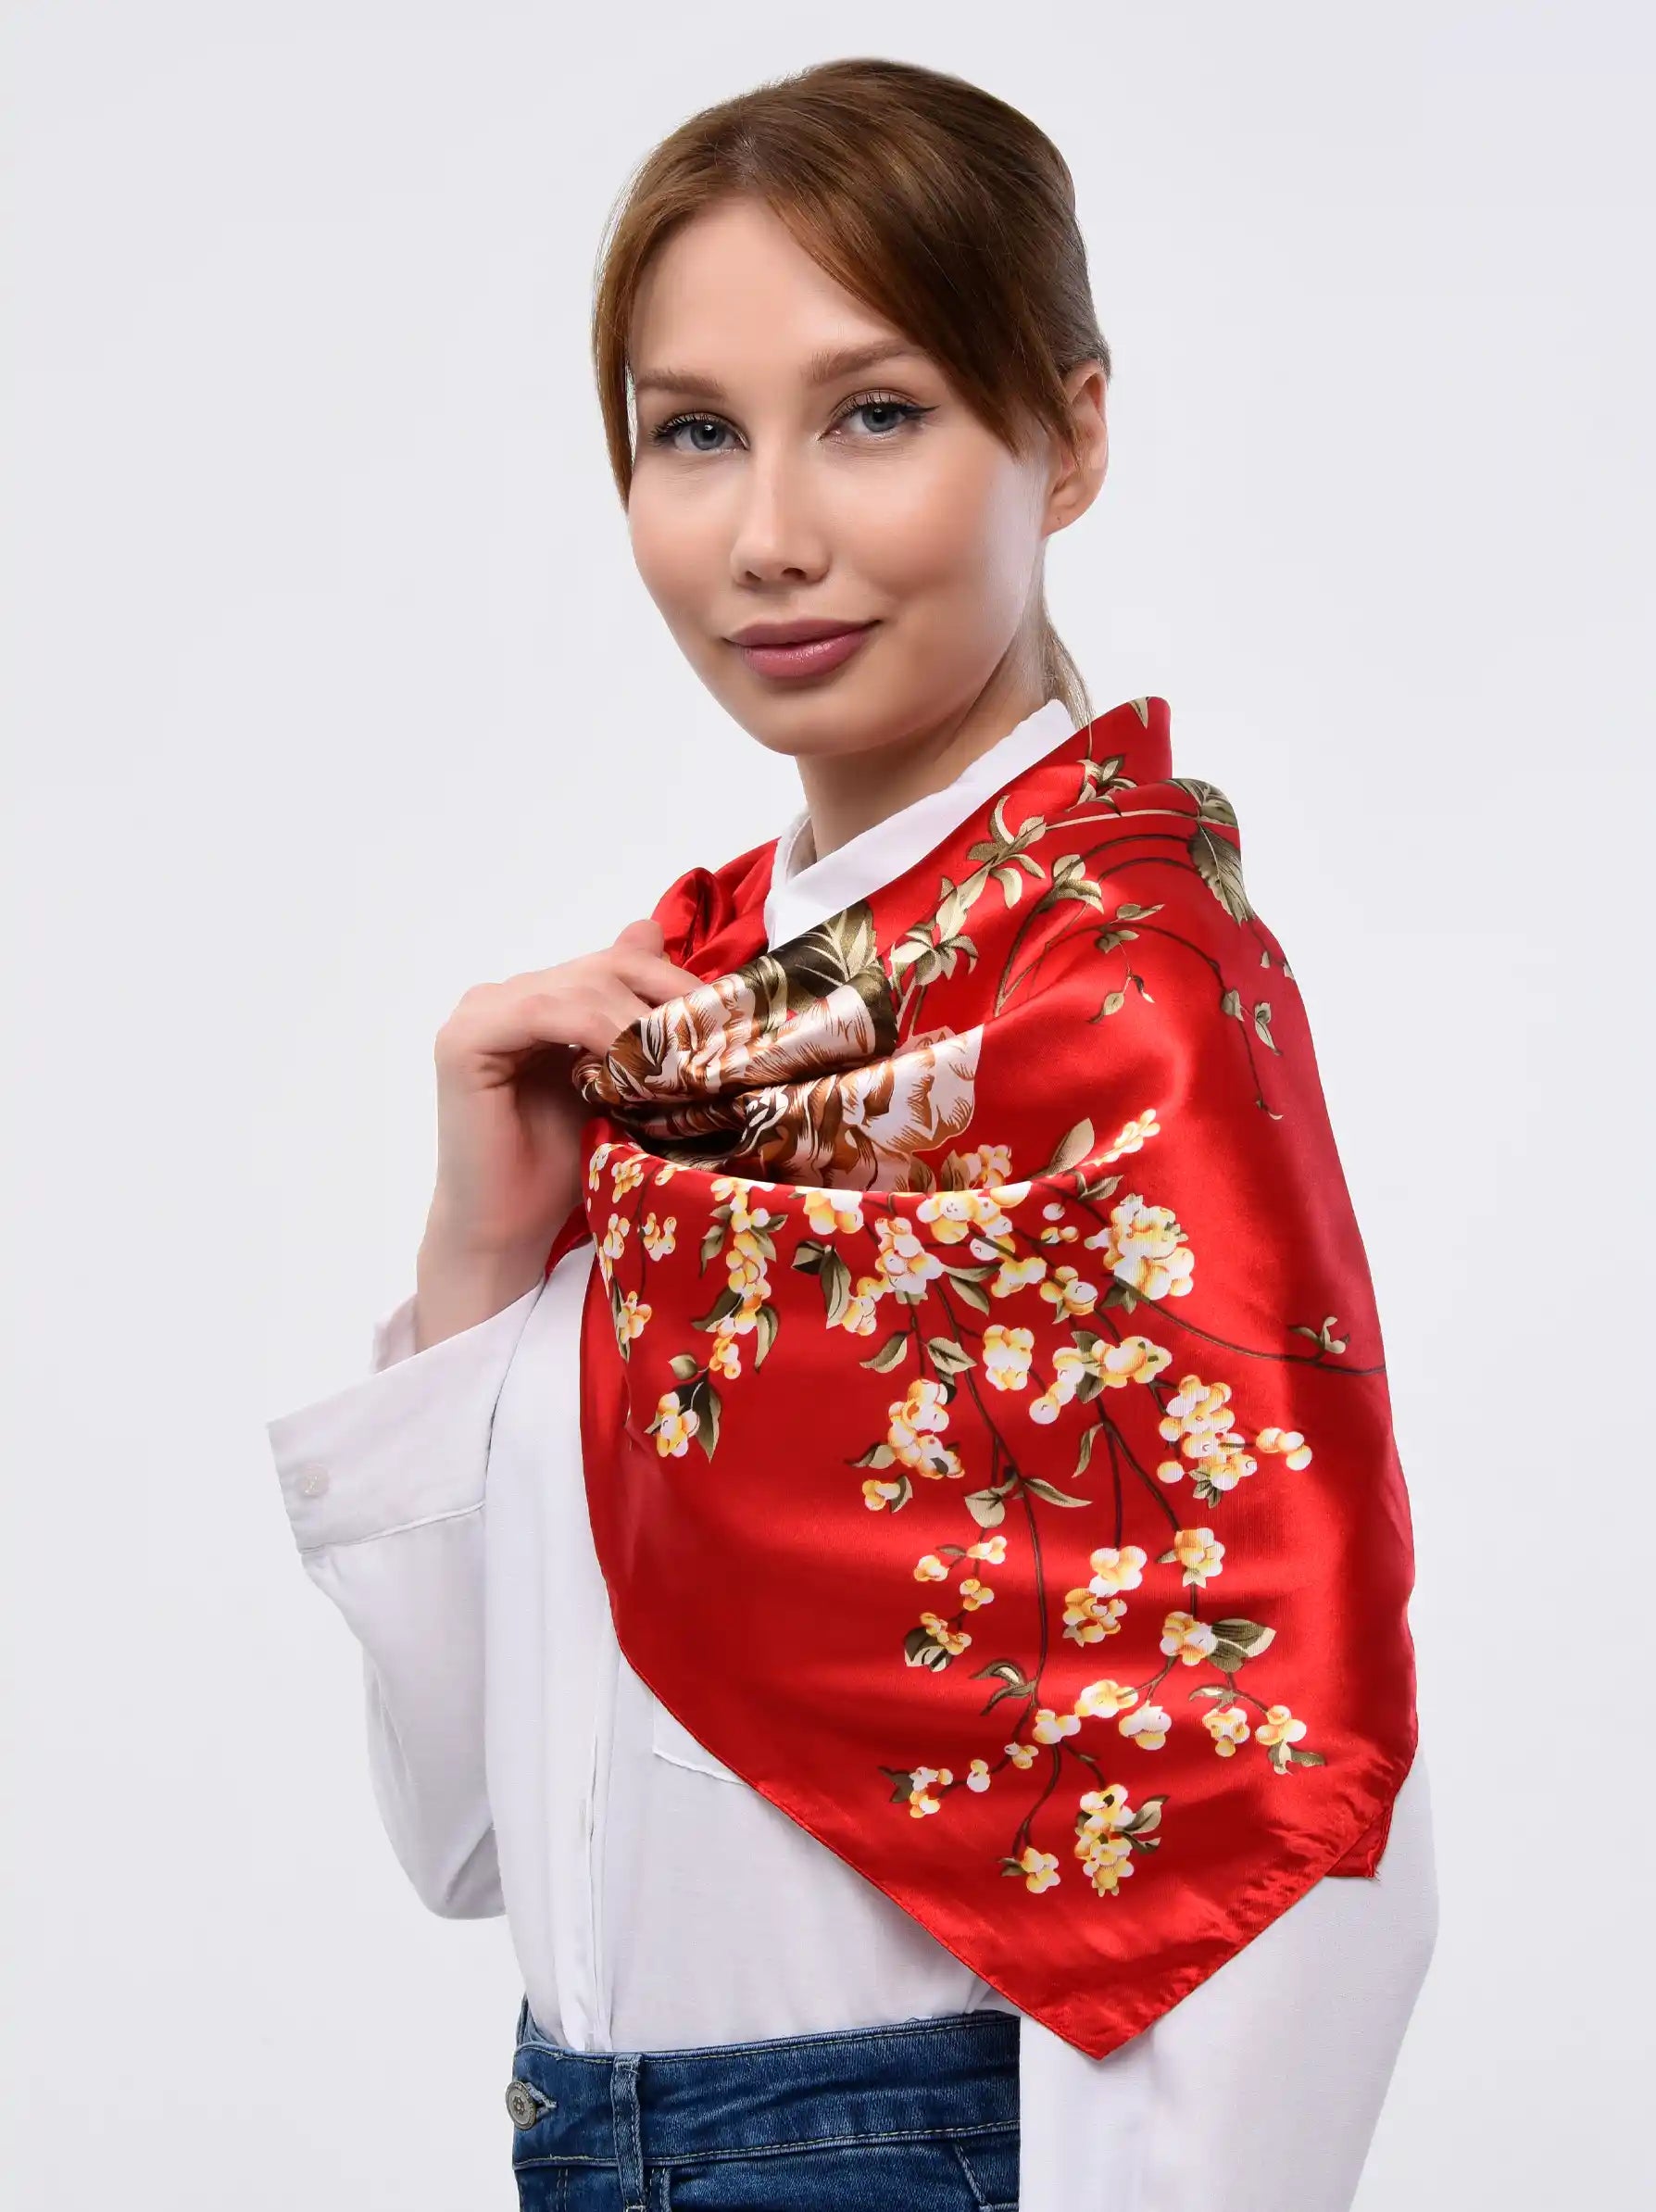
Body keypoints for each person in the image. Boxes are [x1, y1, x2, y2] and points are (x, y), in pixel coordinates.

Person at [265, 56, 1437, 2212]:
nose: (769, 530)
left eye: (873, 412)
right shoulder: (694, 1040)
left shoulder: (1118, 1010)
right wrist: (473, 1275)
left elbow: (1295, 1808)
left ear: (1068, 436)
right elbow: (474, 1840)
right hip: (584, 2138)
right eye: (692, 432)